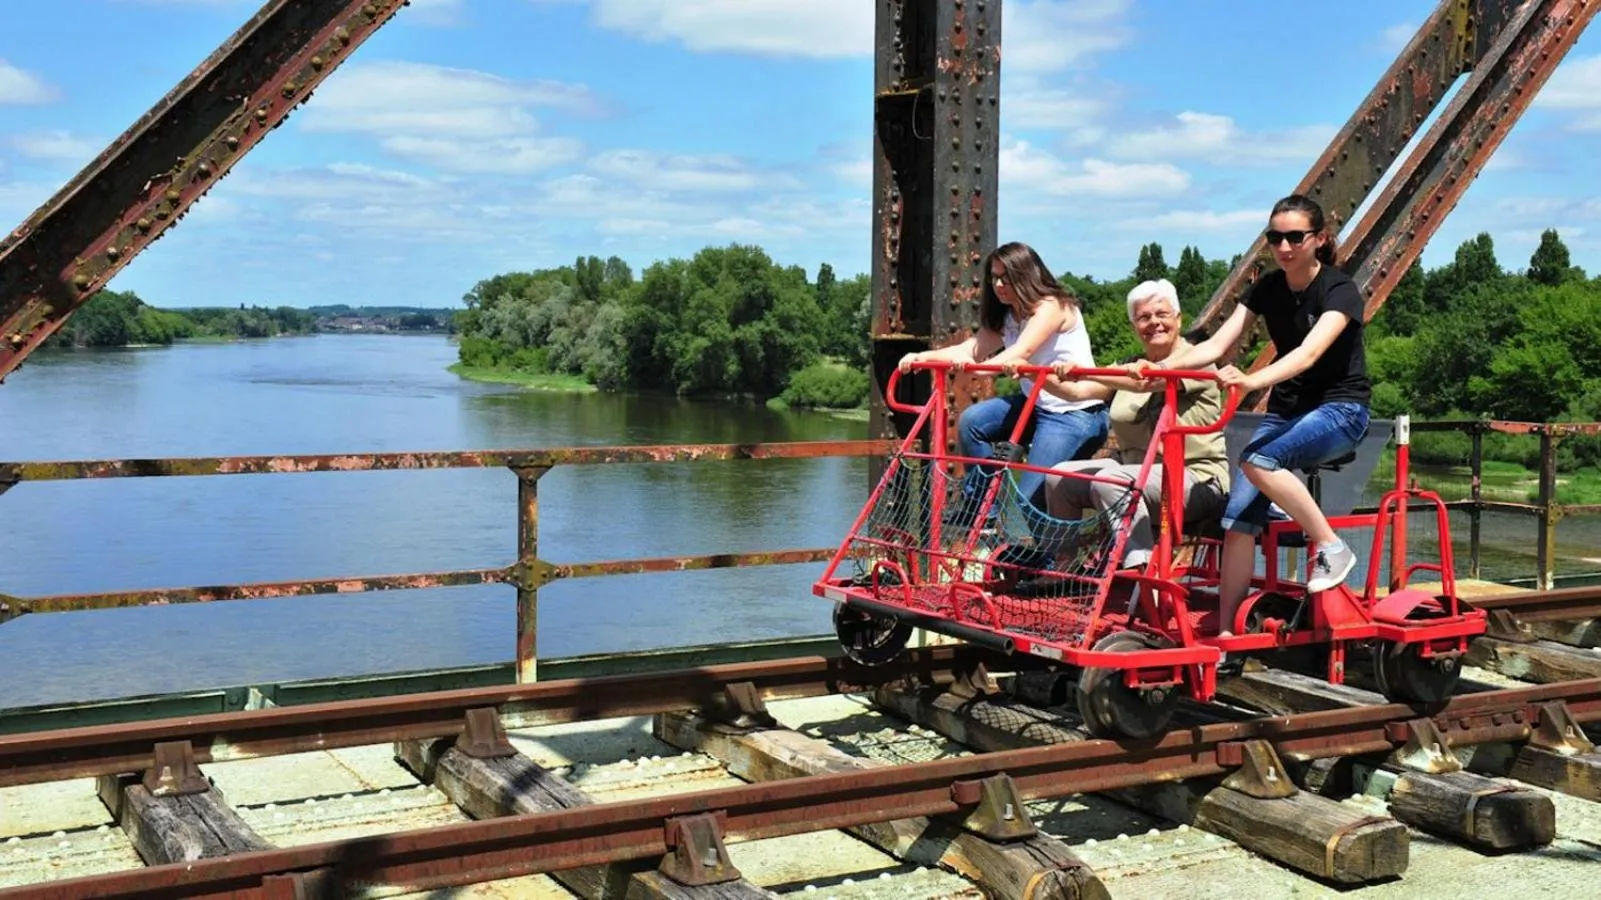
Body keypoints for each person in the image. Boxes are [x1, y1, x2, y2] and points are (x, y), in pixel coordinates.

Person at [1154, 193, 1371, 634]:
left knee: (1258, 460)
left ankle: (1332, 547)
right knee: (1237, 521)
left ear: (1319, 239)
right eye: (1275, 238)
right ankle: (1227, 632)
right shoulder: (1269, 288)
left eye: (1295, 237)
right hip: (1287, 412)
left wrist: (1252, 381)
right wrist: (1158, 369)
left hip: (1341, 410)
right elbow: (1217, 346)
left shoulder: (1339, 290)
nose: (1284, 247)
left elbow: (1309, 353)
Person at [898, 242, 1108, 523]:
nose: (998, 285)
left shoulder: (1053, 306)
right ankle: (982, 509)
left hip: (1074, 413)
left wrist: (981, 371)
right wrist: (921, 357)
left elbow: (1022, 351)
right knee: (972, 422)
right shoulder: (1010, 316)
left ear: (1025, 276)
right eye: (994, 277)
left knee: (1030, 500)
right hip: (1037, 405)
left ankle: (1057, 552)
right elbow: (971, 349)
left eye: (1005, 278)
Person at [1040, 278, 1230, 571]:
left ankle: (1139, 569)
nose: (1154, 323)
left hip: (1195, 478)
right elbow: (1077, 392)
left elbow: (1147, 383)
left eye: (1162, 314)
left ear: (1178, 319)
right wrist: (1037, 372)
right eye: (1144, 317)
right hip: (1134, 468)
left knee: (1111, 483)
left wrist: (1086, 372)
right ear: (1134, 327)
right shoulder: (1132, 366)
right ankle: (1063, 571)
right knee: (1058, 477)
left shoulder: (1194, 360)